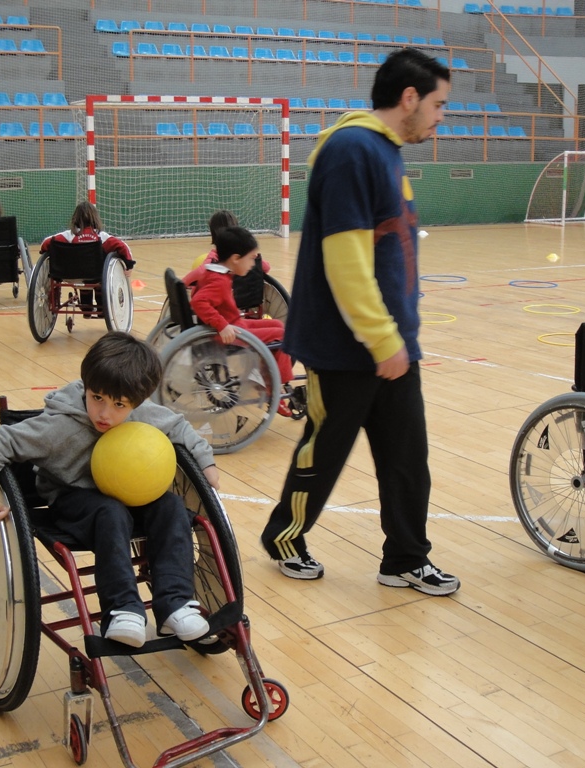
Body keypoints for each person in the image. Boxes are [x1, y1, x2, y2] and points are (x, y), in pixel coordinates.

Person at [259, 48, 460, 596]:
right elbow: (344, 260)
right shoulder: (351, 150)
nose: (442, 117)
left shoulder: (387, 151)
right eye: (439, 104)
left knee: (406, 459)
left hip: (394, 345)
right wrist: (380, 338)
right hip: (349, 348)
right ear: (409, 97)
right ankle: (285, 538)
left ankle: (405, 559)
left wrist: (399, 337)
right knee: (323, 453)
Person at [0, 331, 220, 647]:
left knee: (170, 506)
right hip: (71, 500)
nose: (104, 413)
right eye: (96, 397)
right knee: (109, 511)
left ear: (136, 402)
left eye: (118, 404)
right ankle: (122, 610)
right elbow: (2, 441)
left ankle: (174, 604)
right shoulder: (58, 427)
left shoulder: (141, 415)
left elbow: (179, 427)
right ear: (86, 388)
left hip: (129, 496)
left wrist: (205, 463)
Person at [184, 226, 297, 416]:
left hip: (236, 325)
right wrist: (221, 325)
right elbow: (198, 302)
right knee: (283, 335)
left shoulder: (214, 272)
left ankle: (269, 378)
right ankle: (276, 389)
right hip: (232, 334)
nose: (254, 264)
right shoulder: (219, 280)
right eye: (252, 259)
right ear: (235, 258)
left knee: (278, 325)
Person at [40, 202, 136, 313]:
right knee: (98, 272)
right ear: (95, 218)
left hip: (69, 275)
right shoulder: (101, 237)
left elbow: (45, 244)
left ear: (75, 218)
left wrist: (44, 251)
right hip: (96, 277)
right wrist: (129, 264)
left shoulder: (67, 236)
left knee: (81, 271)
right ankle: (101, 304)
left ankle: (86, 305)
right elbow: (123, 247)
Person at [190, 210, 272, 317]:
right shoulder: (248, 257)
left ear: (213, 232)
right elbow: (266, 267)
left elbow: (201, 272)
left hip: (224, 305)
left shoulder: (214, 258)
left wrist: (183, 283)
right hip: (247, 301)